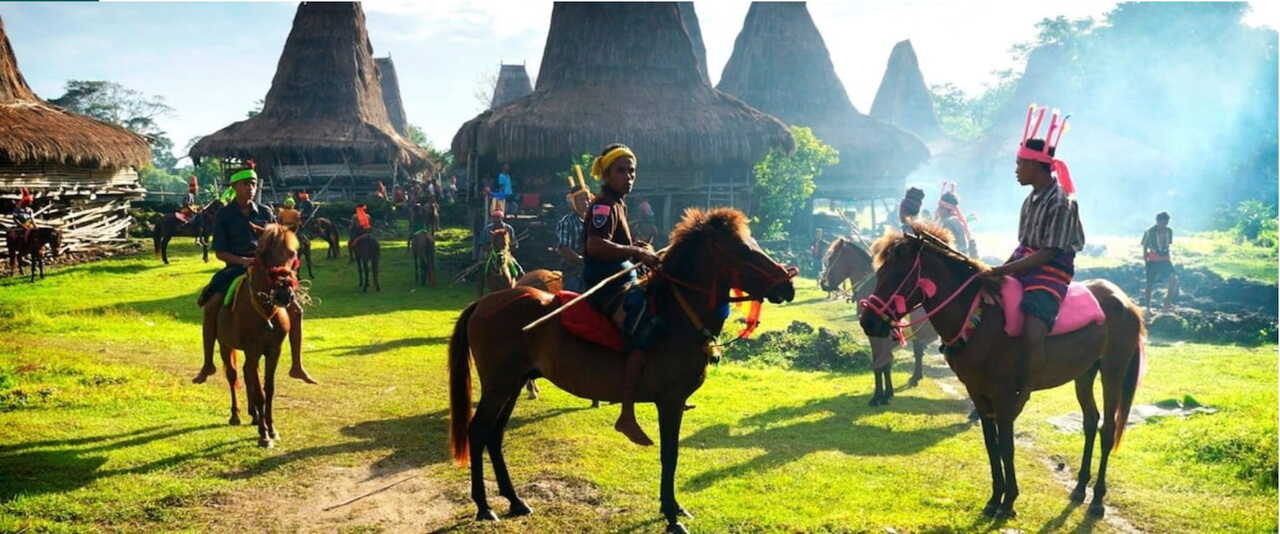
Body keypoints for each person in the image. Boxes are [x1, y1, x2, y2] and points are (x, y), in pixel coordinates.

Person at [983, 107, 1084, 400]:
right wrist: (996, 270)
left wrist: (1006, 271)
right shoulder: (1030, 201)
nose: (1016, 170)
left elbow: (1049, 252)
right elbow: (1024, 245)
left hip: (1052, 269)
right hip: (1027, 262)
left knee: (1033, 327)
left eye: (1020, 164)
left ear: (1037, 166)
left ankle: (1026, 384)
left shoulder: (1062, 201)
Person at [193, 167, 315, 385]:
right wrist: (242, 261)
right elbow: (220, 251)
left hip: (266, 268)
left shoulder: (265, 212)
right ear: (234, 187)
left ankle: (297, 365)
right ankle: (208, 363)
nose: (250, 188)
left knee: (296, 309)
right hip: (236, 267)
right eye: (245, 184)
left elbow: (278, 241)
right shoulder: (224, 214)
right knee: (212, 305)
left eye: (253, 184)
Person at [583, 143, 663, 446]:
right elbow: (595, 245)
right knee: (642, 329)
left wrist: (640, 249)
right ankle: (626, 415)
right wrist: (635, 252)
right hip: (606, 286)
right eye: (622, 170)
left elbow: (619, 245)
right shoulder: (603, 205)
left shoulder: (618, 204)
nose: (628, 176)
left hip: (623, 279)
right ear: (606, 173)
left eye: (632, 171)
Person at [556, 186, 591, 292]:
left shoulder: (593, 220)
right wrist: (582, 260)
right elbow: (564, 248)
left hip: (592, 265)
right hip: (575, 269)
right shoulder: (567, 221)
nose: (586, 202)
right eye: (582, 199)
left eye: (587, 199)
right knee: (575, 295)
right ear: (573, 202)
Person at [1141, 211, 1178, 309]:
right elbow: (1144, 247)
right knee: (1149, 284)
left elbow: (1167, 245)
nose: (1164, 225)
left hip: (1165, 260)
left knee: (1173, 279)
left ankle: (1167, 302)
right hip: (1153, 260)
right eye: (1163, 222)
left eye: (1166, 222)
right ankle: (1148, 307)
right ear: (1157, 221)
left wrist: (1167, 258)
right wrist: (1146, 261)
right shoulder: (1149, 232)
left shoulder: (1169, 231)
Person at [935, 183, 977, 257]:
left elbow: (945, 247)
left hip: (955, 258)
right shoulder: (953, 220)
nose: (938, 210)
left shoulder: (948, 222)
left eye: (941, 207)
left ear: (949, 209)